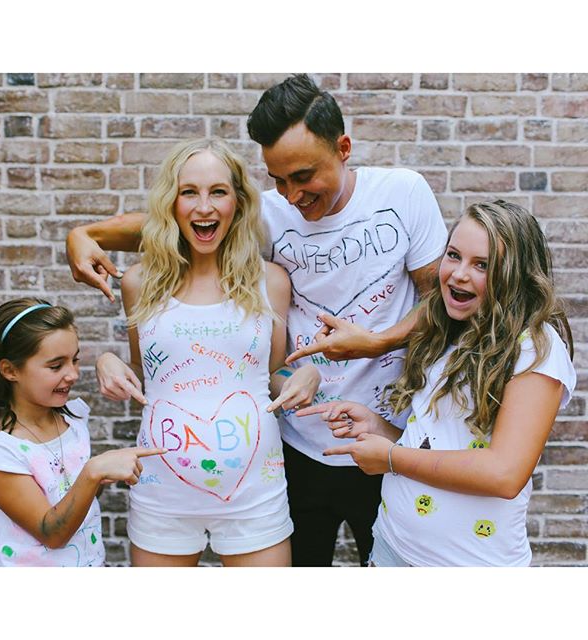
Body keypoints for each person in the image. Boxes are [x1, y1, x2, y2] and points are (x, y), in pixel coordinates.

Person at [65, 74, 447, 566]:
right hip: (296, 445)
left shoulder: (402, 193)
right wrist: (84, 232)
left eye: (304, 176)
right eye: (278, 179)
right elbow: (180, 220)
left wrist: (376, 342)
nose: (291, 195)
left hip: (385, 434)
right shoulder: (267, 212)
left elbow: (441, 298)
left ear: (344, 148)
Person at [298, 200, 576, 566]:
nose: (459, 274)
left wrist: (392, 458)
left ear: (515, 275)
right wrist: (381, 430)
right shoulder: (448, 329)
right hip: (391, 548)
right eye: (453, 255)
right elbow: (439, 445)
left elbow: (504, 473)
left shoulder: (536, 348)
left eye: (482, 265)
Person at [95, 137, 320, 567]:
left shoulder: (270, 281)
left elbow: (268, 374)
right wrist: (107, 362)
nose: (204, 207)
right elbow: (153, 377)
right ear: (171, 203)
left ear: (237, 201)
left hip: (256, 495)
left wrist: (307, 376)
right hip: (163, 494)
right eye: (189, 192)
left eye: (218, 191)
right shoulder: (139, 283)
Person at [0, 297, 164, 567]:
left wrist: (106, 358)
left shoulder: (73, 420)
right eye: (56, 366)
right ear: (10, 370)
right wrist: (94, 472)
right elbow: (51, 533)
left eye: (75, 360)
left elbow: (74, 498)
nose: (73, 374)